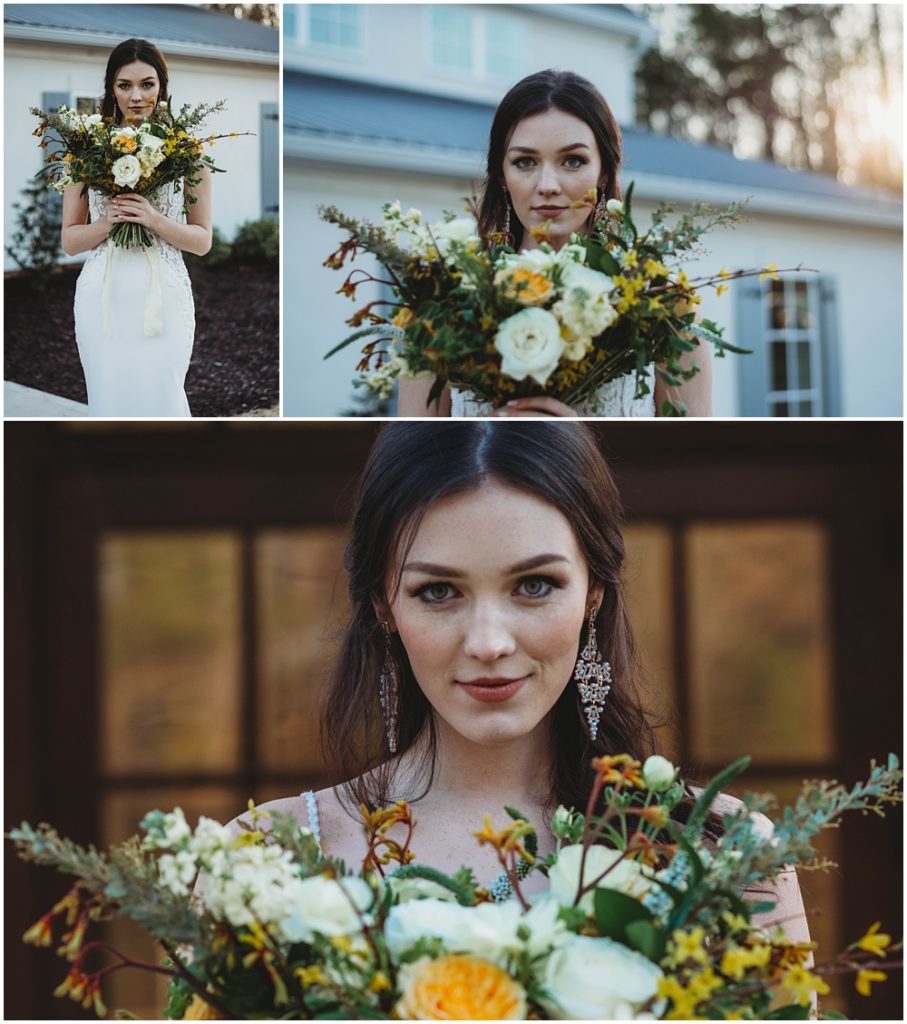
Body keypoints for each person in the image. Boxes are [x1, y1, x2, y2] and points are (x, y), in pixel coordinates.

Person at [235, 422, 806, 939]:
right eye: (438, 592)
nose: (489, 643)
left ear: (594, 595)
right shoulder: (265, 858)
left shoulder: (725, 851)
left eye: (534, 586)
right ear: (385, 606)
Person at [396, 70, 712, 419]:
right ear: (502, 174)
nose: (547, 184)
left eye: (572, 161)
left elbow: (689, 462)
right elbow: (417, 462)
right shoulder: (443, 304)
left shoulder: (663, 304)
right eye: (525, 162)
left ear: (604, 170)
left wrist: (574, 446)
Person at [61, 38, 212, 417]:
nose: (136, 96)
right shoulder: (84, 152)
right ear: (111, 88)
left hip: (165, 295)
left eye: (147, 84)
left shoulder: (189, 153)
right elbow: (69, 240)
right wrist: (108, 222)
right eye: (124, 85)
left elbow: (202, 241)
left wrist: (153, 219)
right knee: (108, 401)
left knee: (165, 400)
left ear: (162, 87)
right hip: (103, 299)